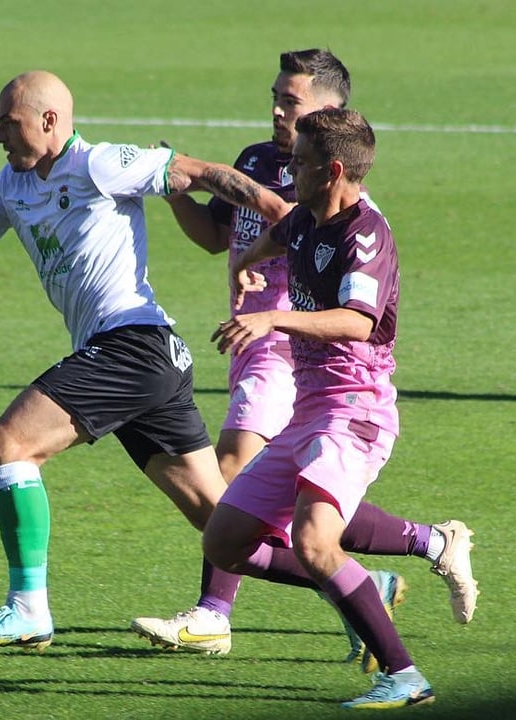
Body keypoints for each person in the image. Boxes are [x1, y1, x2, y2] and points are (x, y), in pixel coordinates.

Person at [0, 70, 291, 650]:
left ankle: (27, 610)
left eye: (7, 122)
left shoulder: (98, 163)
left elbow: (200, 172)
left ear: (48, 120)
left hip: (132, 345)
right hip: (148, 362)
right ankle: (354, 583)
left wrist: (274, 208)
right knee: (222, 524)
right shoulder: (9, 185)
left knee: (7, 447)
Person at [131, 49, 406, 670]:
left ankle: (213, 615)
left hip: (289, 349)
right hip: (251, 341)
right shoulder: (257, 161)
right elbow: (215, 237)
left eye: (293, 102)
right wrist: (181, 198)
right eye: (276, 99)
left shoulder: (345, 206)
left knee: (232, 472)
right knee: (301, 502)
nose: (279, 112)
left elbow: (354, 309)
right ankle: (385, 573)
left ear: (332, 113)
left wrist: (271, 309)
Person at [201, 107, 478, 710]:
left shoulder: (366, 233)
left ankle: (405, 675)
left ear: (332, 170)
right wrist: (248, 267)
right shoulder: (306, 216)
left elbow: (357, 322)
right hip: (308, 409)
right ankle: (410, 556)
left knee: (314, 540)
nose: (288, 169)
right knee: (223, 542)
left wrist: (273, 314)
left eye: (299, 163)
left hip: (356, 410)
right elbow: (280, 233)